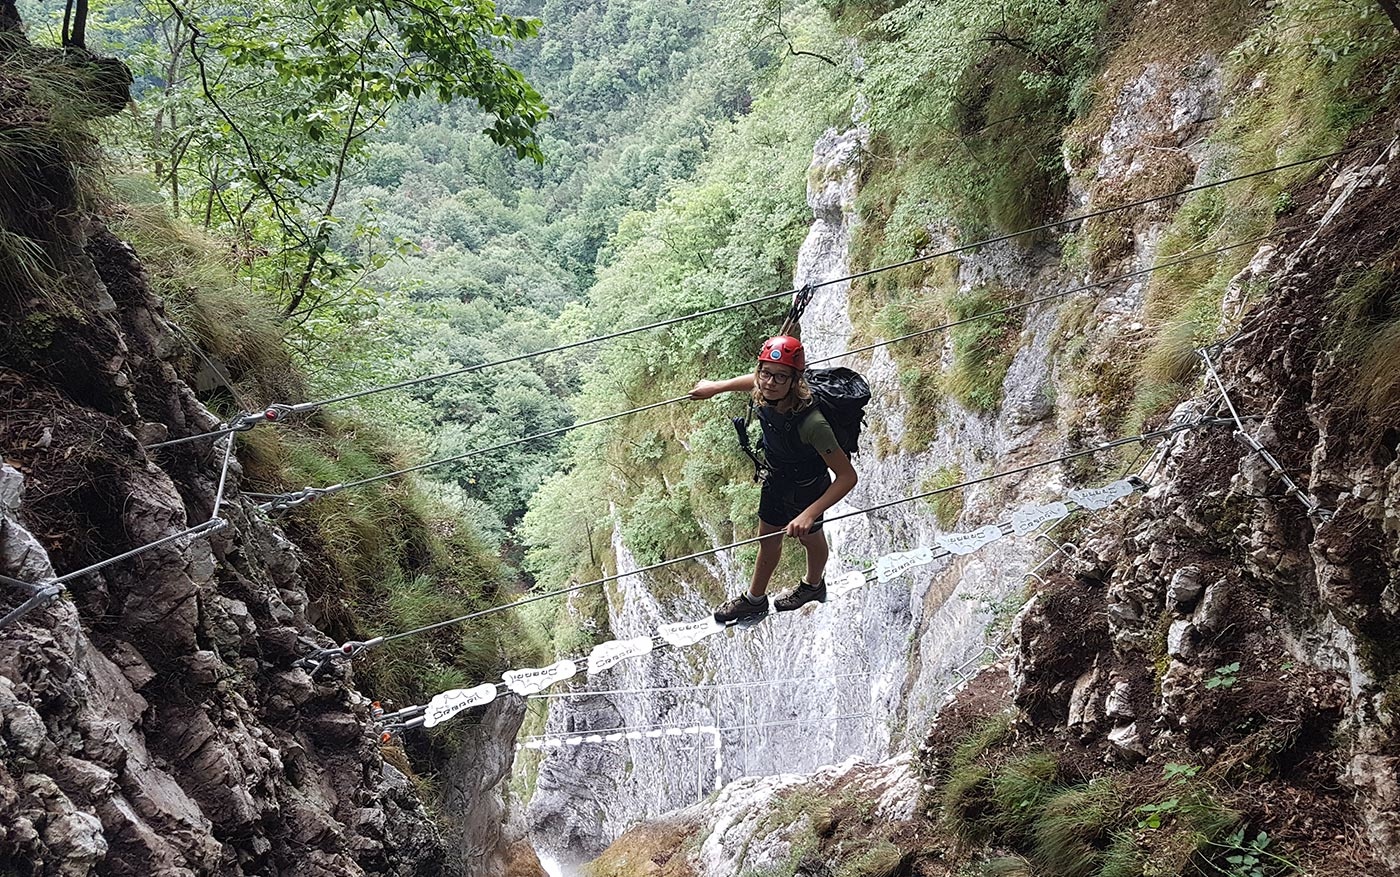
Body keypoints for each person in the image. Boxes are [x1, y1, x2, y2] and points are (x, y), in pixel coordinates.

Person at [689, 335, 858, 624]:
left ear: (795, 381)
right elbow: (751, 382)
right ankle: (754, 601)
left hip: (807, 488)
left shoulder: (813, 423)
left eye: (781, 377)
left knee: (811, 538)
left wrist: (809, 513)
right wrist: (716, 388)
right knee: (767, 539)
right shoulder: (765, 391)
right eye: (765, 373)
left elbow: (846, 477)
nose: (769, 382)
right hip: (777, 479)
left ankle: (813, 585)